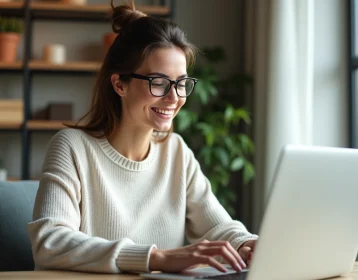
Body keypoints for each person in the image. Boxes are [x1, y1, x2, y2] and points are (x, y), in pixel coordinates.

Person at [27, 0, 258, 274]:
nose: (174, 97)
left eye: (181, 83)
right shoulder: (72, 148)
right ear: (119, 84)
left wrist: (247, 244)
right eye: (159, 82)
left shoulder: (175, 151)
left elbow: (218, 226)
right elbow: (50, 242)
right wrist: (156, 258)